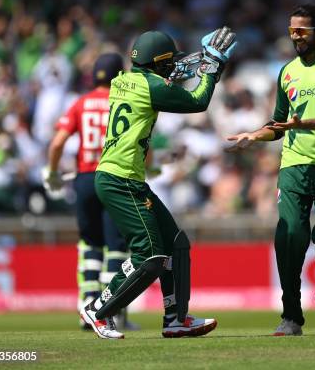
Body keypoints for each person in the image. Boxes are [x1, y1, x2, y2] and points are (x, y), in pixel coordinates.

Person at [79, 28, 236, 339]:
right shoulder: (151, 86)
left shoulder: (123, 81)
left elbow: (160, 80)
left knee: (176, 244)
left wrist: (183, 68)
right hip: (119, 179)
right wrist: (211, 69)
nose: (173, 66)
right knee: (149, 257)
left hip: (124, 177)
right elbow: (197, 101)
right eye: (170, 62)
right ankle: (98, 309)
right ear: (160, 63)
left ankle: (175, 318)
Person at [227, 4, 315, 336]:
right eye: (292, 31)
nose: (296, 37)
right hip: (294, 165)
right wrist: (257, 134)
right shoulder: (287, 72)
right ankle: (291, 316)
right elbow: (280, 124)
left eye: (302, 30)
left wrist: (306, 123)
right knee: (289, 236)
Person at [44, 53, 138, 331]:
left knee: (90, 243)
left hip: (84, 179)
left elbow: (57, 143)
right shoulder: (123, 102)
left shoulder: (80, 104)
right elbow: (142, 143)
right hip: (113, 178)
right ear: (119, 76)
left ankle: (87, 301)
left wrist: (51, 173)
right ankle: (111, 310)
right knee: (117, 247)